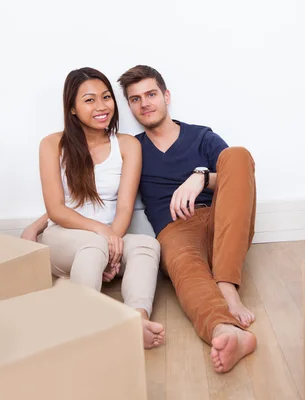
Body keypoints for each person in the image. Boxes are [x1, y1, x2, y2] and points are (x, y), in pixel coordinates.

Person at [23, 65, 257, 373]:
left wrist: (200, 177)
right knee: (178, 266)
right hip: (168, 230)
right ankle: (223, 330)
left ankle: (209, 293)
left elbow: (236, 176)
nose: (144, 103)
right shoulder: (128, 147)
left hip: (221, 219)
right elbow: (69, 200)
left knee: (237, 156)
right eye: (135, 99)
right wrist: (41, 225)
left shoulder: (194, 137)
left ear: (166, 96)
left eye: (150, 95)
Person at [22, 67, 164, 350]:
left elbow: (125, 206)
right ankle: (82, 326)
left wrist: (114, 246)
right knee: (93, 246)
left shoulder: (127, 145)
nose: (101, 107)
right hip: (64, 237)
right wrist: (103, 234)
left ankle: (136, 320)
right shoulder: (52, 144)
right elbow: (56, 209)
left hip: (109, 237)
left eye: (106, 97)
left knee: (147, 245)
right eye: (89, 100)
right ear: (72, 108)